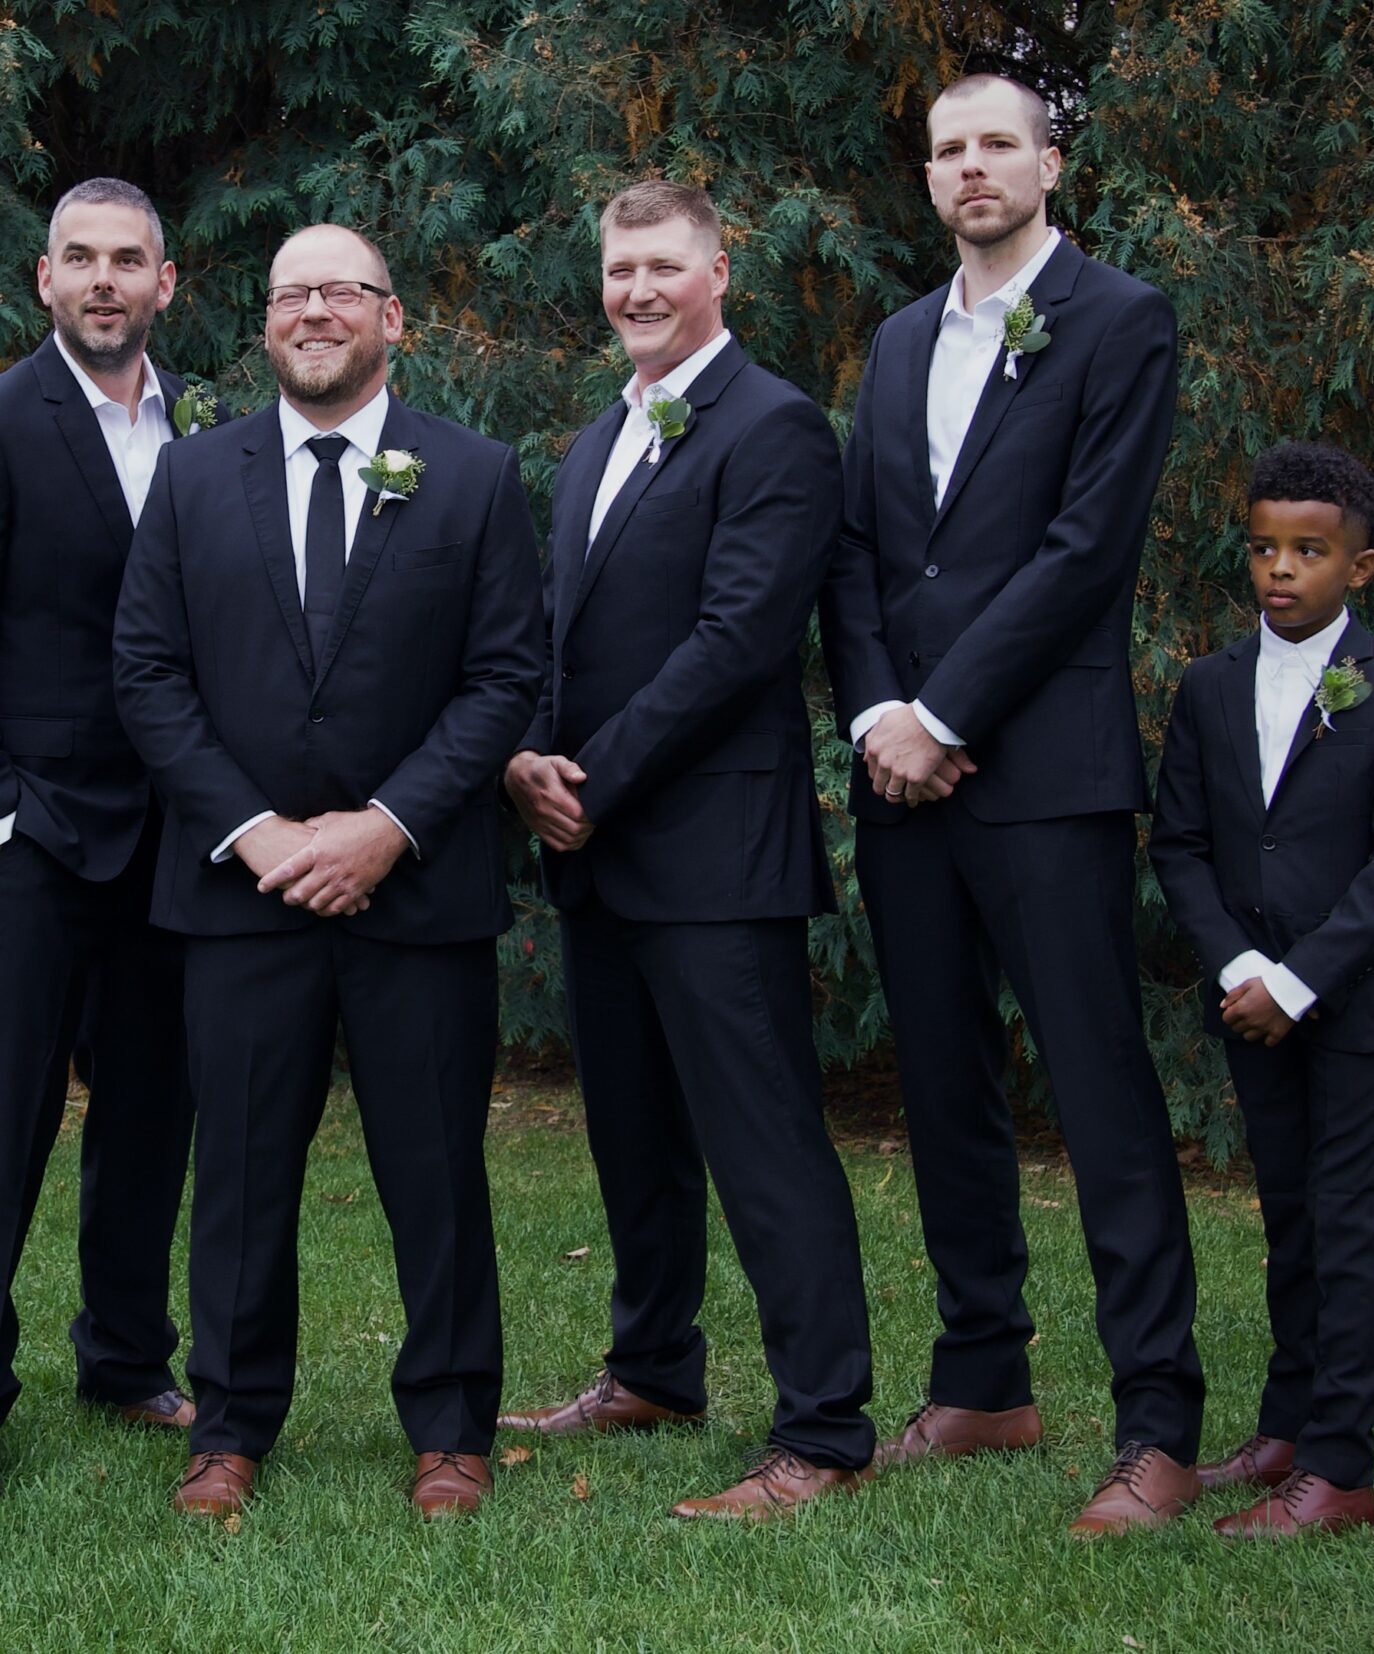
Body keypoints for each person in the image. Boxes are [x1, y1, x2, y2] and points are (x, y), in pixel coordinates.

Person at [816, 72, 1206, 1536]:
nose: (971, 166)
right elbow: (858, 551)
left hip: (1043, 773)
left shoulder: (1121, 320)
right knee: (940, 1079)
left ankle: (1158, 1421)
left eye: (998, 143)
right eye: (948, 149)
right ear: (927, 179)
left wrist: (946, 714)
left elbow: (1086, 547)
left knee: (1099, 1088)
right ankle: (983, 1376)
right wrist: (877, 716)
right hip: (902, 783)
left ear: (1050, 164)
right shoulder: (898, 339)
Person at [111, 223, 544, 1519]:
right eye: (290, 293)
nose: (313, 311)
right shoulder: (192, 477)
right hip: (241, 894)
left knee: (436, 1170)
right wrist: (255, 830)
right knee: (241, 1173)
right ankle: (230, 1425)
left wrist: (386, 825)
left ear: (391, 319)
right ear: (264, 323)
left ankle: (452, 1428)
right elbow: (147, 673)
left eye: (341, 292)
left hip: (417, 890)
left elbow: (504, 676)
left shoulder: (473, 476)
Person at [497, 181, 878, 1519]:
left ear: (720, 272)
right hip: (597, 852)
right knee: (634, 1136)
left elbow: (738, 642)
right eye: (620, 269)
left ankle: (824, 1429)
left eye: (664, 265)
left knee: (763, 1143)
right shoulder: (601, 436)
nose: (639, 289)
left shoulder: (774, 428)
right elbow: (553, 630)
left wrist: (590, 782)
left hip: (716, 853)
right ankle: (653, 1367)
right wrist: (527, 757)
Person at [0, 178, 199, 1496]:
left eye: (126, 259)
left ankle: (126, 1356)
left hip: (169, 830)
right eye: (79, 258)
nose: (103, 280)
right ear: (45, 279)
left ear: (163, 283)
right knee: (8, 1108)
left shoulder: (199, 427)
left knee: (150, 1102)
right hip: (32, 831)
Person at [1149, 440, 1374, 1537]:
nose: (1281, 568)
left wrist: (1302, 980)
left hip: (1347, 1004)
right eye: (1265, 547)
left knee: (1349, 1224)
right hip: (1250, 1006)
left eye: (1309, 551)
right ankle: (1284, 1426)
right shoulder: (1209, 686)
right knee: (1289, 1214)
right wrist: (1241, 968)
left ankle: (1338, 1465)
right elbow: (1180, 845)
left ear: (1359, 568)